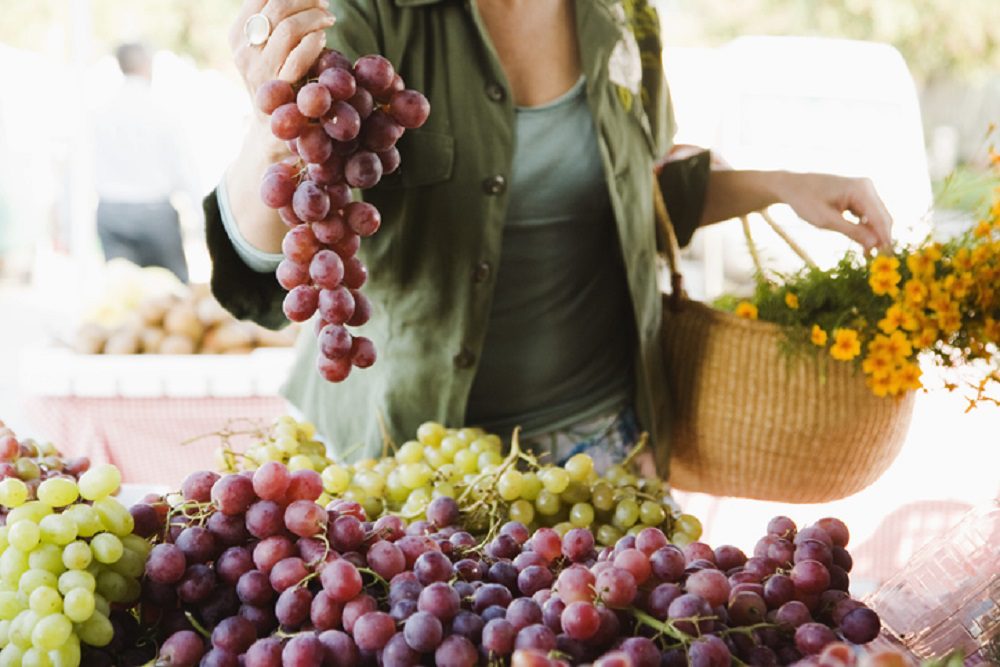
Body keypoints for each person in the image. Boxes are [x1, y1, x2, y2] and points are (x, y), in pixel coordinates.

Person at [206, 0, 893, 472]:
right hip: (407, 460)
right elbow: (266, 252)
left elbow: (637, 193)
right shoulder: (367, 12)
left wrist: (781, 184)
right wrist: (276, 118)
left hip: (604, 445)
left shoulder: (624, 16)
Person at [92, 42, 194, 282]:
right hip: (154, 212)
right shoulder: (162, 109)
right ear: (146, 65)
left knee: (123, 295)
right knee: (174, 296)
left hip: (111, 210)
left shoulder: (102, 110)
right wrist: (200, 215)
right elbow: (184, 168)